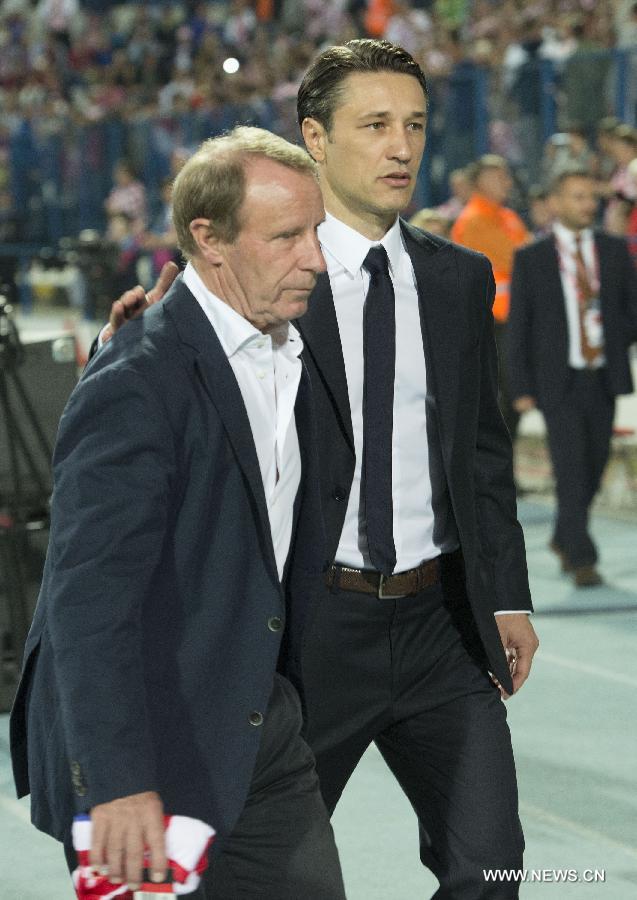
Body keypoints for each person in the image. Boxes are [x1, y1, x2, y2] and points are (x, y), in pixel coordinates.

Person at [107, 40, 539, 899]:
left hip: (440, 628)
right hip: (310, 631)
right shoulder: (261, 275)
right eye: (374, 124)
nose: (401, 147)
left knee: (489, 867)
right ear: (314, 136)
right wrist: (115, 355)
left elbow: (482, 453)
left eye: (413, 125)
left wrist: (505, 593)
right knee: (254, 878)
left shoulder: (458, 278)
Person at [9, 126, 347, 900]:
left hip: (261, 721)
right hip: (143, 743)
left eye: (316, 233)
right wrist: (118, 782)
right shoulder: (141, 377)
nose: (315, 259)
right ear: (209, 239)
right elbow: (87, 601)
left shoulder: (287, 345)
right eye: (288, 236)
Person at [509, 167, 637, 587]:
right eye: (577, 197)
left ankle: (564, 535)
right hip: (557, 378)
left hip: (602, 374)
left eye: (591, 197)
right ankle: (582, 557)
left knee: (595, 464)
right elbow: (520, 326)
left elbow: (631, 309)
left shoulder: (615, 251)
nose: (587, 205)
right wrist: (521, 387)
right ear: (556, 203)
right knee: (570, 468)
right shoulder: (532, 257)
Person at [451, 154, 531, 441]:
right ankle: (492, 472)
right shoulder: (475, 220)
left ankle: (501, 470)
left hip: (511, 320)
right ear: (480, 181)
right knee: (502, 399)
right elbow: (520, 260)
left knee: (514, 397)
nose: (507, 182)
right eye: (499, 176)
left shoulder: (506, 217)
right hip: (493, 322)